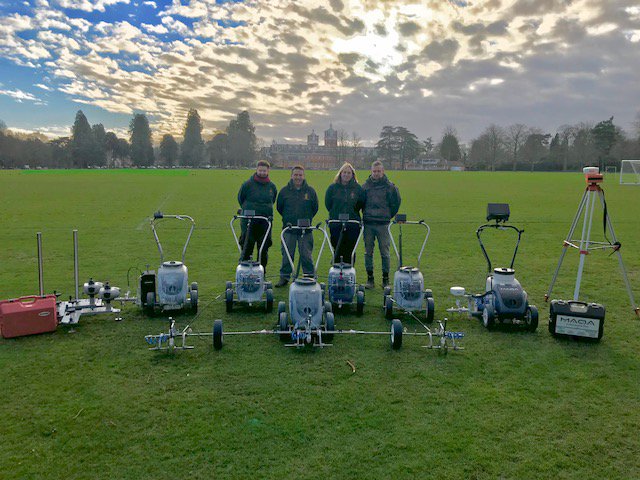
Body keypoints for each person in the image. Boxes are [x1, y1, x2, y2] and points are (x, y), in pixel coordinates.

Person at [275, 165, 319, 287]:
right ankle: (284, 277)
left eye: (300, 175)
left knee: (306, 254)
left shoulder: (310, 191)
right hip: (289, 229)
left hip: (306, 230)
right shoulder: (284, 191)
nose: (298, 177)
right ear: (291, 176)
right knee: (287, 254)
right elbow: (280, 207)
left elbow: (315, 208)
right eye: (295, 175)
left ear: (303, 176)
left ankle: (309, 276)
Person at [362, 160, 401, 289]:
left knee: (385, 252)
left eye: (379, 171)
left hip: (383, 224)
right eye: (374, 171)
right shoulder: (365, 186)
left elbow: (396, 202)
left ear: (383, 171)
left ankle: (385, 279)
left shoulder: (390, 187)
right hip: (368, 224)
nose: (376, 173)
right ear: (371, 172)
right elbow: (360, 203)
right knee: (368, 252)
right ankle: (370, 279)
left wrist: (388, 215)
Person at [237, 160, 277, 270]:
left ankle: (262, 273)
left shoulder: (271, 187)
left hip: (265, 222)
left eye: (264, 171)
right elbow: (241, 198)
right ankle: (244, 272)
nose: (262, 173)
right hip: (249, 221)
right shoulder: (247, 185)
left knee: (263, 248)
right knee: (247, 246)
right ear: (256, 170)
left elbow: (273, 200)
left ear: (268, 171)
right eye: (260, 170)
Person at [325, 162, 364, 265]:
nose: (346, 175)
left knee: (350, 250)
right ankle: (337, 272)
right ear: (340, 173)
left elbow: (361, 204)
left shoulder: (358, 189)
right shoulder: (332, 188)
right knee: (337, 248)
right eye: (344, 172)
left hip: (353, 224)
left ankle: (349, 272)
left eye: (349, 173)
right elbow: (328, 204)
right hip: (336, 224)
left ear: (352, 175)